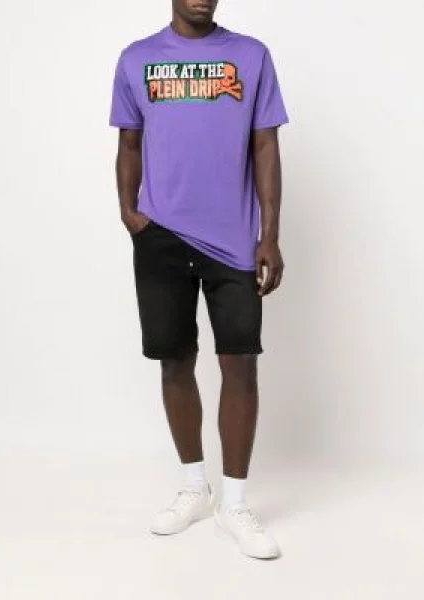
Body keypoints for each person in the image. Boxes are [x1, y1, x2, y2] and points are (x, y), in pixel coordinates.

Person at [109, 0, 288, 559]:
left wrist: (268, 235)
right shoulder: (136, 59)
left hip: (234, 241)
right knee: (174, 359)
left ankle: (234, 503)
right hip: (160, 235)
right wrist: (130, 213)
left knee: (240, 361)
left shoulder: (250, 56)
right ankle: (195, 488)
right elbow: (129, 142)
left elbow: (265, 145)